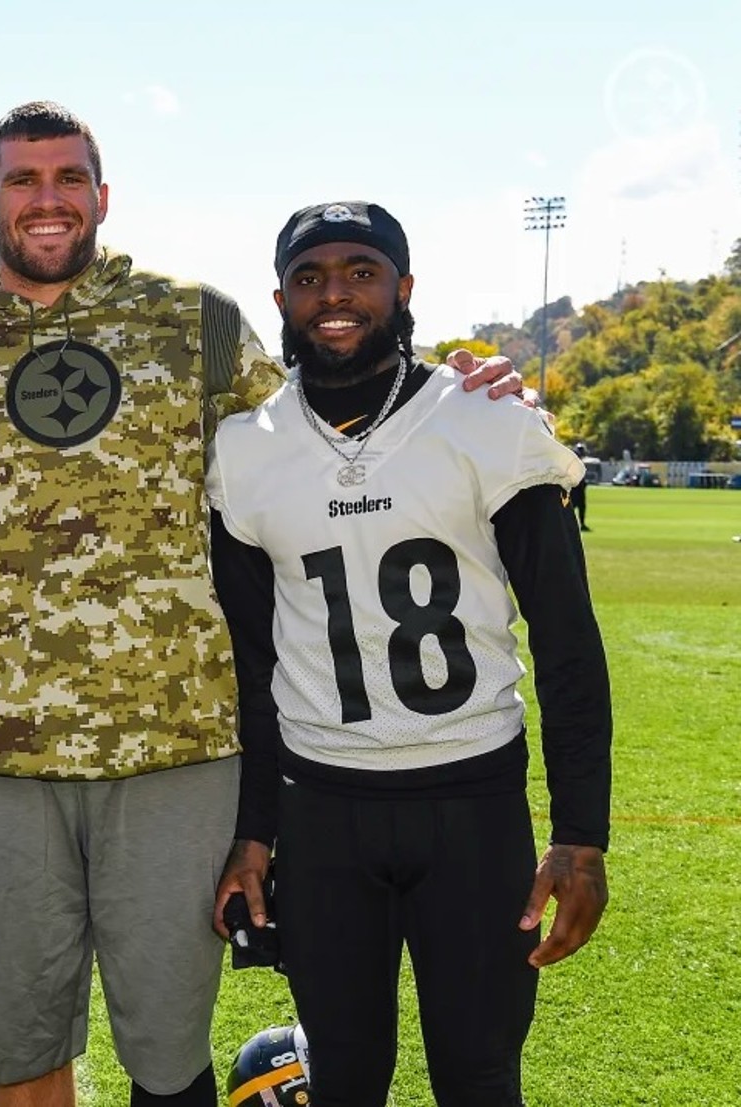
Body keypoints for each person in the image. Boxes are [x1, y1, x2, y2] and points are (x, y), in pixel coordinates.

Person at [0, 104, 526, 1107]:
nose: (45, 201)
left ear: (102, 195)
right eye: (21, 181)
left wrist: (467, 387)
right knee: (19, 1058)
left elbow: (335, 409)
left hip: (176, 751)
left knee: (167, 1060)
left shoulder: (195, 323)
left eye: (67, 179)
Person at [208, 201, 611, 1106]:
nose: (335, 295)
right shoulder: (244, 452)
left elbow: (570, 644)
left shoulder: (483, 420)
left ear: (405, 286)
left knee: (478, 1076)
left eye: (361, 270)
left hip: (472, 801)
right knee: (344, 1079)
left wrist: (582, 835)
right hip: (325, 811)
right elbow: (252, 667)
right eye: (310, 278)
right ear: (281, 298)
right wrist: (255, 831)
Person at [572, 443, 591, 530]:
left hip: (580, 488)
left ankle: (582, 524)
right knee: (572, 507)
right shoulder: (573, 462)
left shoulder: (579, 462)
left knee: (581, 507)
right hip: (575, 488)